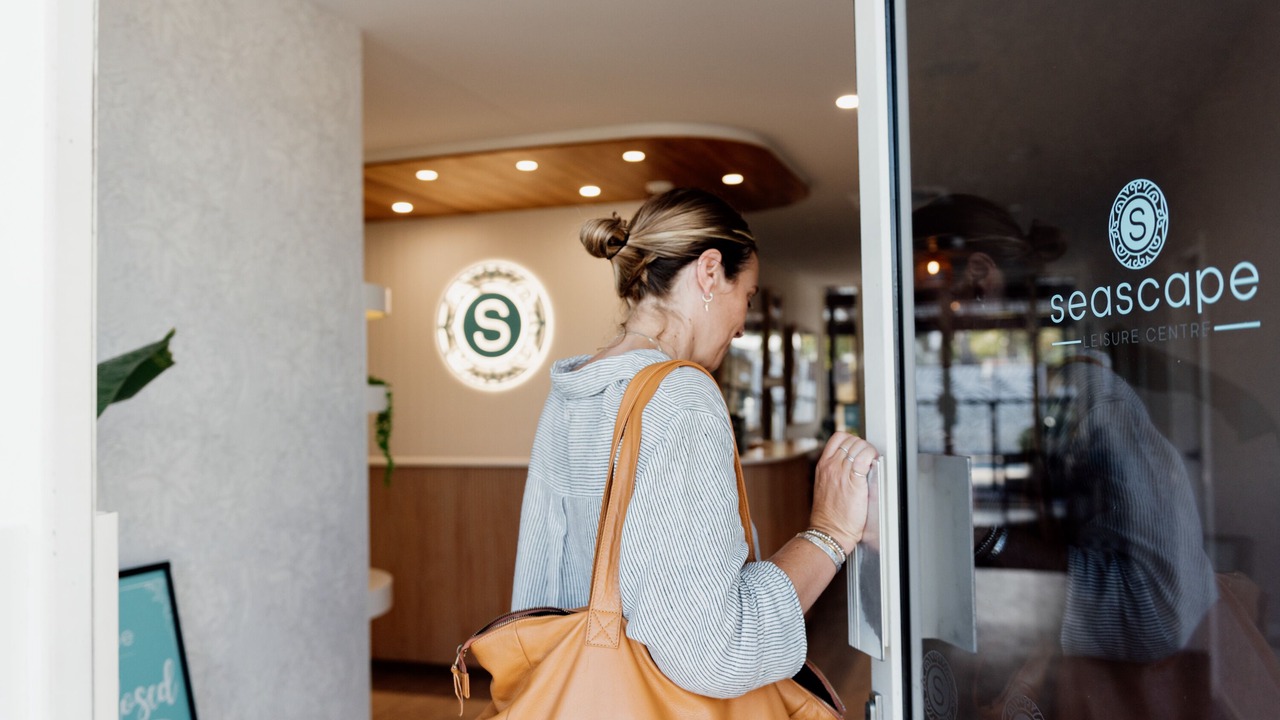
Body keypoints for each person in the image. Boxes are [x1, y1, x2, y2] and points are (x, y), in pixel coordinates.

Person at [510, 187, 876, 699]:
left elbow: (534, 595)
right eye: (745, 296)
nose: (743, 325)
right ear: (709, 271)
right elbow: (715, 654)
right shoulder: (679, 394)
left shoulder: (571, 391)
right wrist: (829, 534)